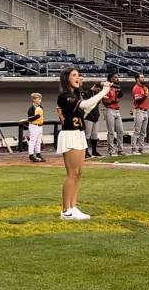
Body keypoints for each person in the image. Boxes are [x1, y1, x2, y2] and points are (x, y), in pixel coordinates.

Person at [57, 67, 110, 220]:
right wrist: (104, 92)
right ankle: (66, 210)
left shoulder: (75, 94)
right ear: (66, 78)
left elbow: (85, 111)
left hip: (79, 133)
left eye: (78, 75)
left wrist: (98, 96)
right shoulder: (64, 95)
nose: (77, 77)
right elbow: (85, 106)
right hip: (70, 134)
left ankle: (73, 207)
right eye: (74, 75)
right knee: (72, 173)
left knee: (79, 173)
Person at [102, 73, 124, 156]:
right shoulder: (106, 88)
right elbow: (104, 102)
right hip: (109, 109)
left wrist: (118, 91)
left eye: (117, 77)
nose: (117, 79)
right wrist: (113, 101)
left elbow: (120, 96)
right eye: (115, 77)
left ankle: (120, 150)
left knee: (120, 131)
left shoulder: (117, 87)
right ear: (111, 79)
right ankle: (111, 150)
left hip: (117, 110)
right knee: (111, 132)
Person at [82, 82, 103, 157]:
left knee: (95, 135)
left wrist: (97, 115)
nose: (99, 91)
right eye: (98, 89)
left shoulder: (97, 95)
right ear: (95, 86)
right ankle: (85, 152)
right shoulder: (87, 93)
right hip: (88, 116)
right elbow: (85, 106)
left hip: (95, 116)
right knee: (87, 135)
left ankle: (94, 151)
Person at [131, 73, 149, 154]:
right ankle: (134, 149)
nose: (143, 78)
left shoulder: (145, 87)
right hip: (139, 110)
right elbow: (138, 100)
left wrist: (146, 95)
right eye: (141, 77)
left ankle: (141, 148)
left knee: (143, 131)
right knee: (137, 131)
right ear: (137, 79)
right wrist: (145, 95)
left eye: (143, 77)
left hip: (145, 111)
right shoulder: (136, 88)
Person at [26, 92, 45, 163]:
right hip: (34, 126)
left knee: (39, 141)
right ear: (34, 100)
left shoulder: (41, 107)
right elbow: (29, 119)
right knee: (33, 140)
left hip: (40, 126)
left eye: (40, 99)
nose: (40, 100)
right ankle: (31, 155)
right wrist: (37, 116)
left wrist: (39, 117)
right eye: (38, 99)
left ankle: (38, 154)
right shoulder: (31, 108)